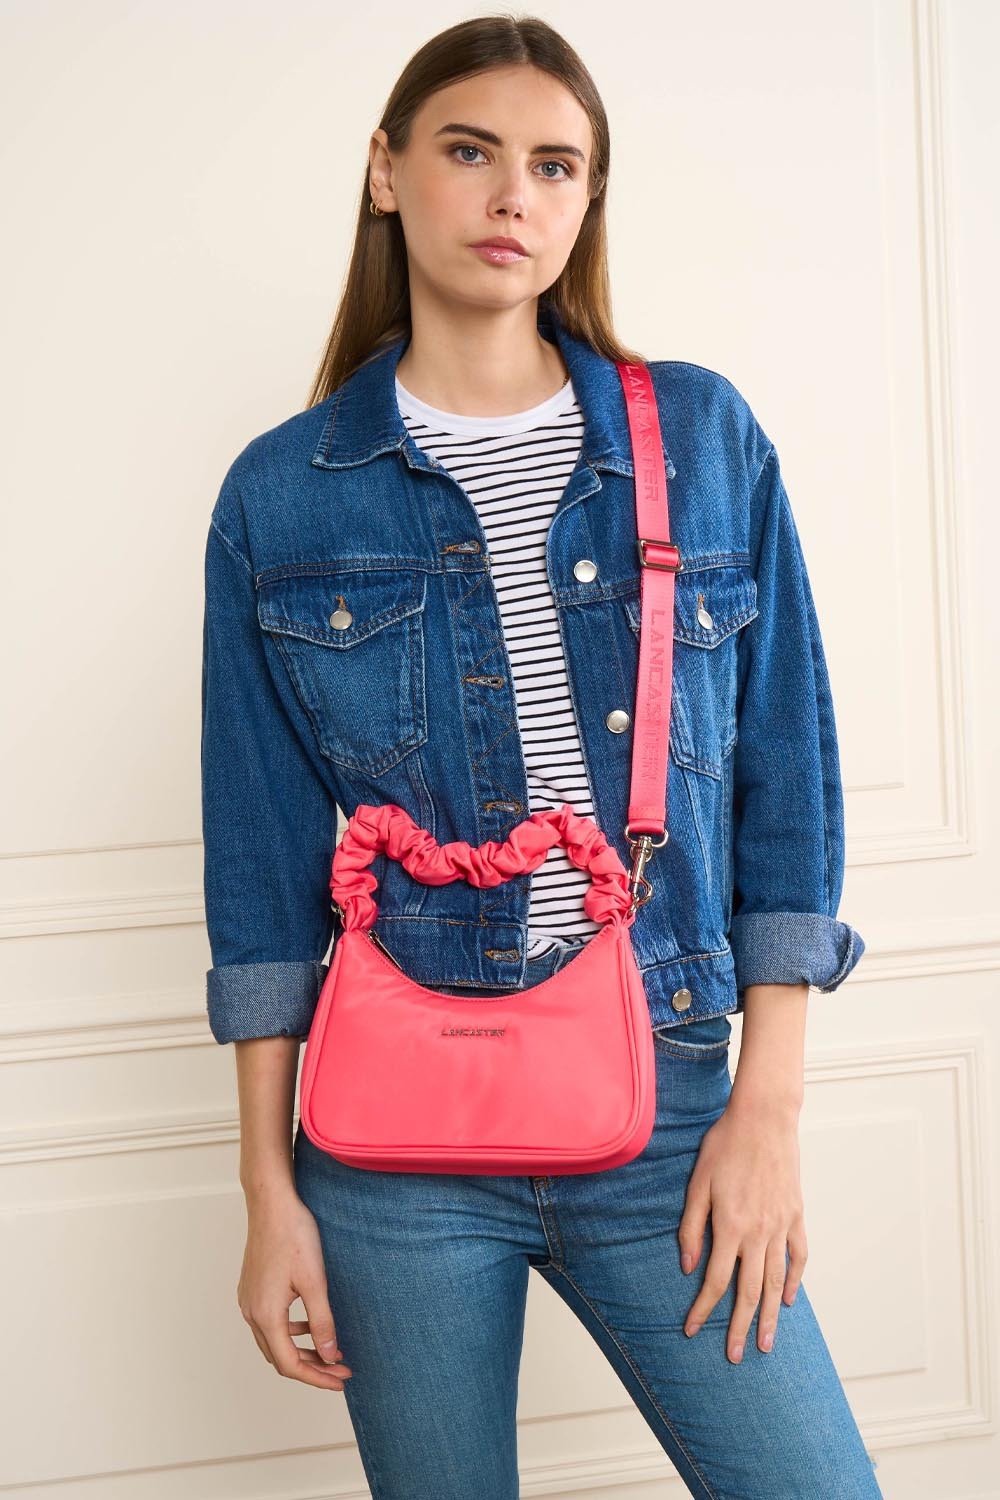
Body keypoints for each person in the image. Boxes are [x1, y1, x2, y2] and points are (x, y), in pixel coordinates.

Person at [200, 15, 882, 1498]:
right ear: (386, 172)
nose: (515, 194)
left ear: (587, 201)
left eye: (557, 166)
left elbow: (786, 783)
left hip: (674, 1103)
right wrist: (267, 1190)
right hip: (392, 1153)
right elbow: (259, 876)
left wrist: (767, 1112)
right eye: (472, 151)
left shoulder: (699, 435)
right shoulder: (281, 495)